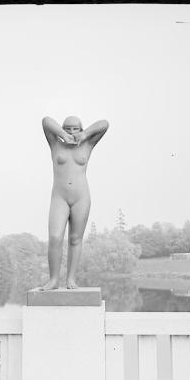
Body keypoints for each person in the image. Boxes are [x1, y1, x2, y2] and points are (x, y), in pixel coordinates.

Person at [40, 115, 109, 290]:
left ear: (81, 129)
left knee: (75, 239)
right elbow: (46, 121)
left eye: (75, 128)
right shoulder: (55, 144)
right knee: (55, 238)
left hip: (81, 197)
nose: (72, 131)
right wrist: (64, 135)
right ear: (62, 129)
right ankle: (54, 280)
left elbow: (104, 124)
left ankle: (71, 279)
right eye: (68, 128)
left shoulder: (88, 145)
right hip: (59, 197)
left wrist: (84, 135)